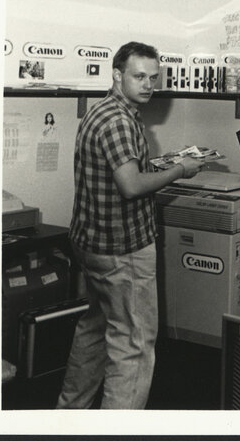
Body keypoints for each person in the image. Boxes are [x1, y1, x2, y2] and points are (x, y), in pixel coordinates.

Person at [57, 42, 203, 409]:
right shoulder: (120, 121)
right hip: (123, 250)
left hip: (91, 244)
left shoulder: (101, 110)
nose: (149, 85)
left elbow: (121, 171)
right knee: (134, 345)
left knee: (95, 329)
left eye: (153, 77)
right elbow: (131, 186)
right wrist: (180, 170)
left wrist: (161, 164)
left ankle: (68, 416)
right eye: (139, 76)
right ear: (117, 74)